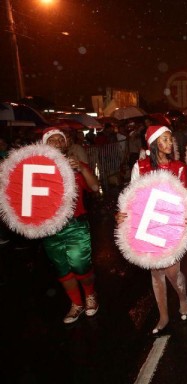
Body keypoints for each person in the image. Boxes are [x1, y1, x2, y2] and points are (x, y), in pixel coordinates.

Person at [116, 125, 187, 335]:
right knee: (156, 273)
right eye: (164, 140)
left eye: (170, 139)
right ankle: (163, 315)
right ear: (153, 144)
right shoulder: (141, 167)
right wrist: (121, 215)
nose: (169, 143)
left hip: (170, 225)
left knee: (172, 271)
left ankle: (182, 297)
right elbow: (131, 197)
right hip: (148, 226)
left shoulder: (179, 167)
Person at [41, 127, 101, 324]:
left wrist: (82, 169)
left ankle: (90, 296)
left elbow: (94, 187)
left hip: (76, 225)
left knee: (81, 265)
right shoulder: (37, 169)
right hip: (49, 228)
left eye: (61, 139)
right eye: (52, 140)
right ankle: (76, 304)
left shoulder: (76, 165)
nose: (58, 143)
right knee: (62, 269)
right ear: (44, 144)